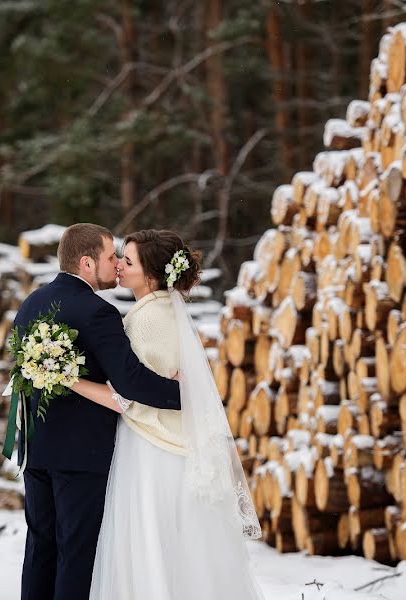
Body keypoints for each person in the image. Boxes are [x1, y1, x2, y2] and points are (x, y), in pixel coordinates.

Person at [71, 229, 264, 600]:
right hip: (164, 440)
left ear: (152, 276)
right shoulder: (158, 310)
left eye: (128, 262)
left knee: (148, 534)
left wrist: (73, 381)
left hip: (152, 446)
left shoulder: (148, 320)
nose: (119, 267)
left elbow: (133, 392)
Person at [13, 224, 182, 600]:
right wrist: (186, 395)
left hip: (37, 450)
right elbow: (132, 381)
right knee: (76, 552)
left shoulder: (32, 304)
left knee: (40, 549)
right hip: (82, 455)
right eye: (110, 257)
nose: (116, 265)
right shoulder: (97, 311)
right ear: (87, 263)